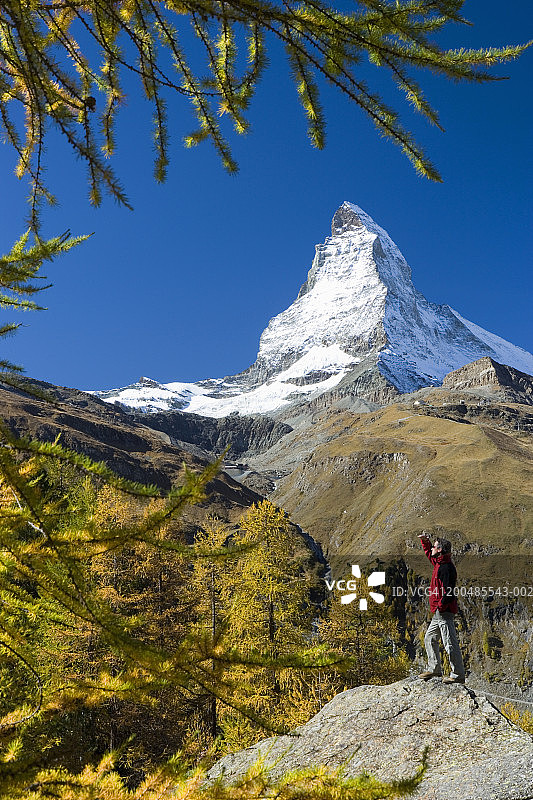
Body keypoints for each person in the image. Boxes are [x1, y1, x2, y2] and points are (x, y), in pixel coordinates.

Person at [417, 534, 465, 684]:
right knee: (429, 638)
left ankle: (457, 675)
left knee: (449, 643)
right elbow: (429, 555)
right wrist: (425, 542)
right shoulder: (439, 563)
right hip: (439, 611)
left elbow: (449, 591)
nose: (432, 548)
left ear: (439, 550)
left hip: (444, 611)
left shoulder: (446, 568)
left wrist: (441, 605)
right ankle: (434, 669)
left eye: (434, 546)